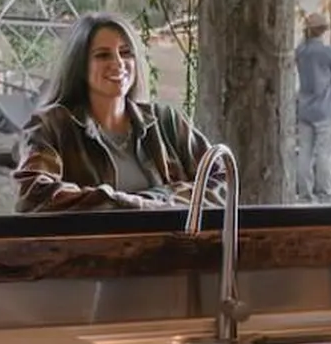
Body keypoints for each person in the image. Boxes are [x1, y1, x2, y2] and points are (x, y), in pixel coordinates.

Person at [13, 13, 218, 214]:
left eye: (126, 52)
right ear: (80, 66)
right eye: (103, 55)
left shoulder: (167, 122)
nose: (118, 62)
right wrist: (125, 204)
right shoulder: (50, 126)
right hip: (89, 248)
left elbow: (223, 181)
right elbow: (34, 195)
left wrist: (157, 199)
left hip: (170, 247)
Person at [294, 12, 331, 203]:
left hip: (305, 109)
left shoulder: (300, 51)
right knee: (325, 153)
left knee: (305, 152)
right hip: (325, 109)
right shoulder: (326, 51)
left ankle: (305, 194)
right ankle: (325, 192)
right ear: (323, 30)